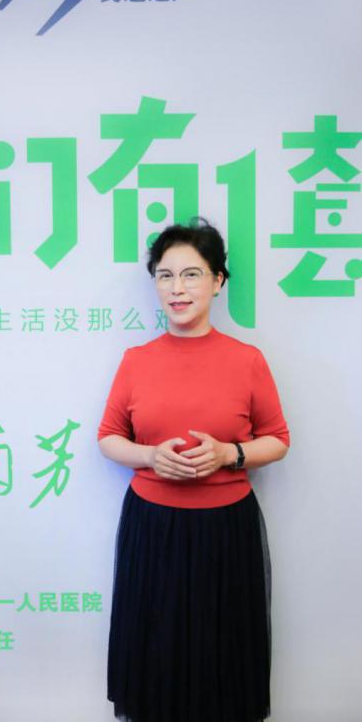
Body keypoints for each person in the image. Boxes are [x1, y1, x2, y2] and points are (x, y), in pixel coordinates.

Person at [97, 218, 290, 722]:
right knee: (155, 648)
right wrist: (149, 456)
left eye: (191, 274)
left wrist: (230, 454)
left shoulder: (247, 360)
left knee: (221, 650)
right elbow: (109, 437)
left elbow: (278, 439)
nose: (177, 288)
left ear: (218, 281)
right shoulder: (136, 360)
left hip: (226, 528)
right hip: (152, 525)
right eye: (165, 276)